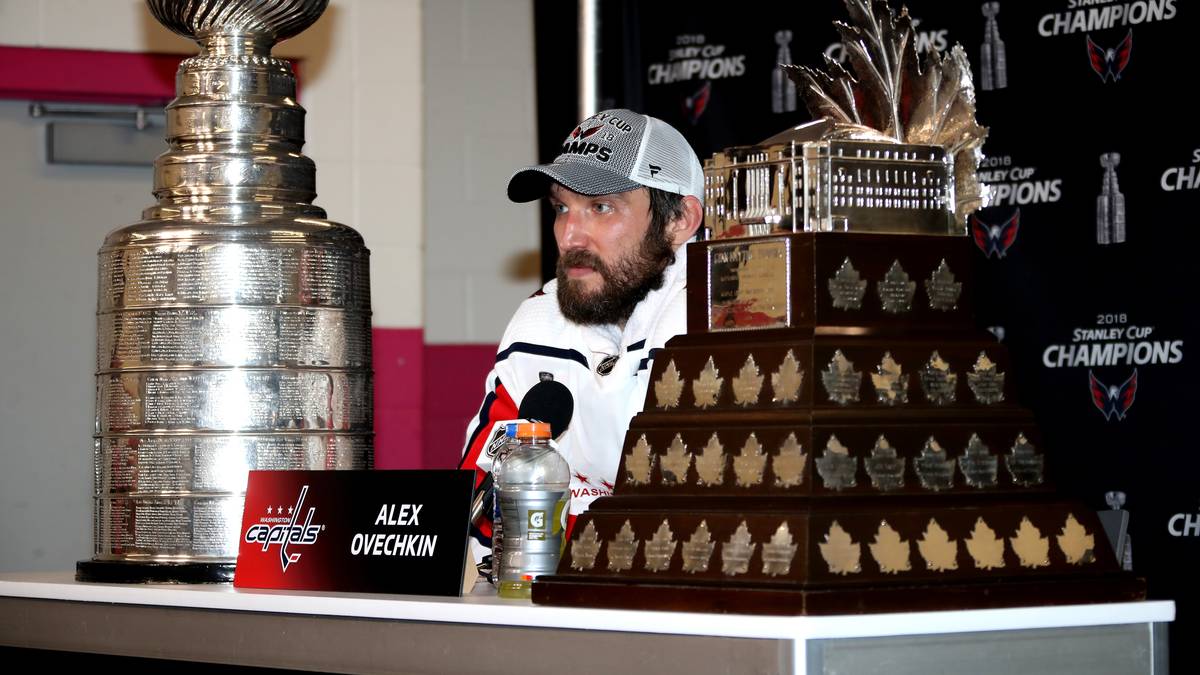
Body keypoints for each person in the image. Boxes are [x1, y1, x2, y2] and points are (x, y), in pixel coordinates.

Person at [459, 109, 704, 561]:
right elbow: (478, 510)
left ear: (680, 221)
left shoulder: (718, 321)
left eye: (601, 207)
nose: (570, 234)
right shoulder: (539, 319)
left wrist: (550, 530)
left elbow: (695, 528)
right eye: (561, 208)